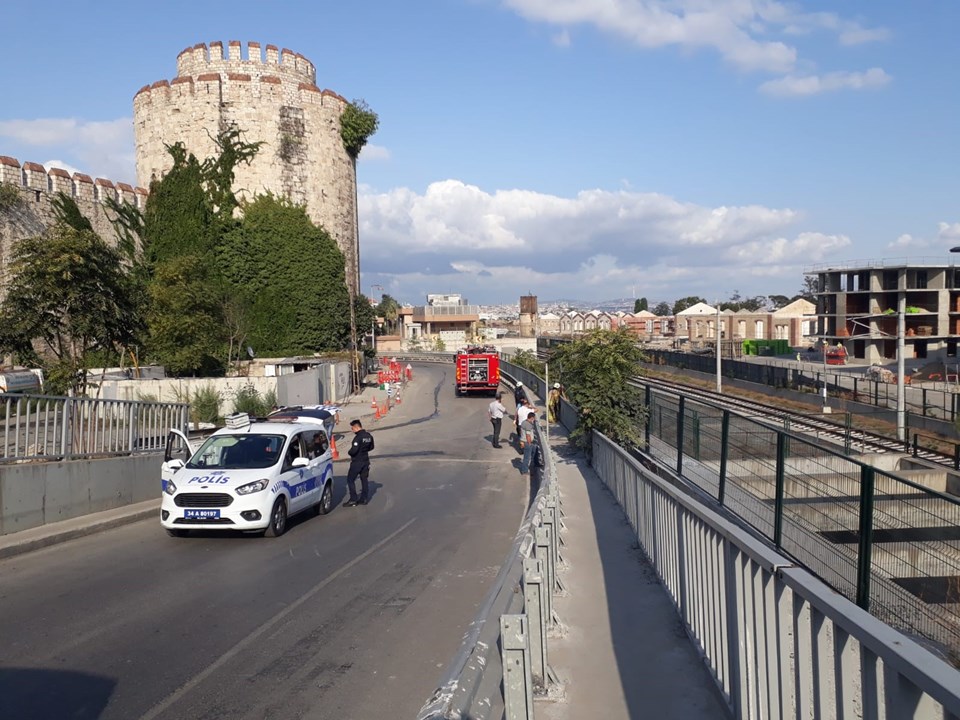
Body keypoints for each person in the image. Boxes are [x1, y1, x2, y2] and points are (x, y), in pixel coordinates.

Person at [345, 419, 375, 506]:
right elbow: (372, 447)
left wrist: (349, 452)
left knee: (350, 479)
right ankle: (364, 499)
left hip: (357, 462)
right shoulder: (368, 436)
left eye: (352, 428)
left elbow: (354, 451)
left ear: (356, 427)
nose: (352, 430)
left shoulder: (358, 438)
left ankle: (353, 499)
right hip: (366, 460)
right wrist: (364, 450)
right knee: (364, 479)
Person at [519, 410, 538, 475]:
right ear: (532, 418)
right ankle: (524, 471)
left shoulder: (523, 422)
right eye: (534, 418)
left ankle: (535, 464)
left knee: (534, 452)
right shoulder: (528, 425)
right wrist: (529, 443)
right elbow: (528, 435)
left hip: (525, 441)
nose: (534, 420)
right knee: (527, 457)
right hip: (527, 442)